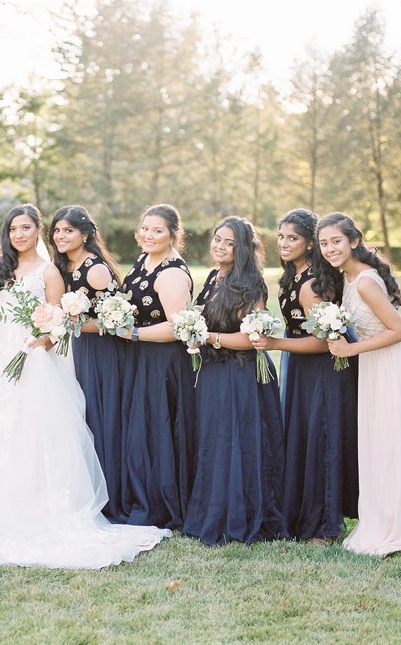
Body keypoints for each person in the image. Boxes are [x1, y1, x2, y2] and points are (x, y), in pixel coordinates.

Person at [0, 204, 169, 569]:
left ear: (37, 231)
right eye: (13, 228)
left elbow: (59, 319)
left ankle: (36, 506)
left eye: (26, 227)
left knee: (33, 430)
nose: (19, 235)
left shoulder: (50, 271)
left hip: (34, 359)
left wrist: (43, 340)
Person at [315, 212, 401, 559]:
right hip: (374, 364)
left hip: (393, 364)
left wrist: (351, 348)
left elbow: (400, 331)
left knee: (393, 442)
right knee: (378, 444)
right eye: (324, 243)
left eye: (336, 241)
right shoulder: (349, 278)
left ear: (354, 240)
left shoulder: (365, 281)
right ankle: (382, 519)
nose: (330, 249)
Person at [250, 209, 358, 542]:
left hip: (323, 369)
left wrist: (275, 342)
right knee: (302, 437)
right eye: (281, 236)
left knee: (321, 438)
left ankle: (324, 525)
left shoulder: (311, 283)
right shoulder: (292, 276)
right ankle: (300, 514)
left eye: (292, 238)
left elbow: (326, 343)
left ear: (309, 243)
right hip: (301, 366)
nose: (284, 243)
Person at [183, 216, 288, 546]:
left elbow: (251, 339)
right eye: (217, 239)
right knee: (215, 442)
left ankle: (237, 516)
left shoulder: (250, 283)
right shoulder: (214, 276)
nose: (220, 246)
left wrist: (208, 336)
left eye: (228, 242)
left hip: (240, 374)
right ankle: (210, 510)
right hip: (214, 371)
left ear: (242, 247)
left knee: (236, 445)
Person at [116, 204, 195, 529]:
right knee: (142, 429)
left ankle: (163, 503)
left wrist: (132, 332)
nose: (148, 235)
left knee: (159, 429)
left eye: (157, 230)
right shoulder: (145, 261)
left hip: (164, 362)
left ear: (174, 235)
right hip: (143, 358)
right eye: (145, 228)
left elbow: (179, 328)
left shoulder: (173, 272)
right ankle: (142, 495)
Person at [49, 205, 126, 522]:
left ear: (85, 234)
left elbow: (115, 321)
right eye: (56, 230)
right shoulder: (60, 266)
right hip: (68, 351)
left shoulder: (96, 269)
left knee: (96, 417)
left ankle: (107, 495)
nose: (60, 236)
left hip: (97, 353)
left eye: (68, 230)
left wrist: (74, 324)